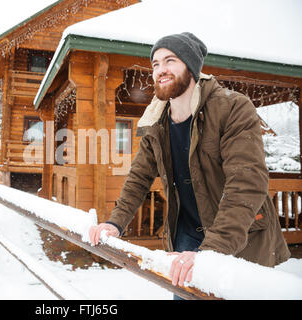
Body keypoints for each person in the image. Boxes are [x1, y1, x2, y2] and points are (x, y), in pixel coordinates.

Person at [89, 32, 291, 296]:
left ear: (191, 66)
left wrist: (212, 250)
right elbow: (139, 177)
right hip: (186, 235)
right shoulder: (156, 121)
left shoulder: (232, 108)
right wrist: (115, 223)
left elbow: (246, 182)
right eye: (155, 64)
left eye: (170, 60)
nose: (161, 69)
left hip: (237, 236)